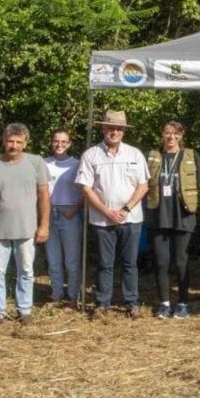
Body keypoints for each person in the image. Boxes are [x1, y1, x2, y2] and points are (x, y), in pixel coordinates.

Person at [76, 110, 150, 318]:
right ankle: (102, 304)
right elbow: (86, 188)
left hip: (131, 219)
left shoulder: (135, 154)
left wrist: (125, 209)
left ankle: (131, 303)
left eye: (118, 128)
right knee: (105, 264)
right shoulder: (90, 155)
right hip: (101, 220)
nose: (114, 132)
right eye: (110, 128)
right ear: (103, 129)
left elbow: (143, 186)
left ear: (124, 131)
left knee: (130, 264)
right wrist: (107, 211)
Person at [0, 123, 51, 325]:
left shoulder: (36, 163)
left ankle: (24, 310)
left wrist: (44, 225)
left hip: (27, 228)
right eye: (10, 141)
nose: (14, 145)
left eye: (19, 142)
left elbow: (44, 195)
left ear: (25, 143)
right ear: (3, 141)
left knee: (26, 271)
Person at [145, 120, 200, 319]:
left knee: (181, 262)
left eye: (175, 133)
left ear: (181, 135)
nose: (171, 137)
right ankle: (164, 303)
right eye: (167, 132)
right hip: (157, 215)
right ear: (162, 134)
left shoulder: (192, 156)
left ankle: (183, 303)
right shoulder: (152, 156)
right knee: (161, 262)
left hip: (183, 216)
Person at [44, 129, 83, 309]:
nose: (59, 144)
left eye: (63, 141)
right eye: (56, 141)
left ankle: (74, 296)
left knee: (72, 260)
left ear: (69, 144)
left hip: (70, 214)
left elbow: (87, 190)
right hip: (49, 213)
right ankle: (57, 295)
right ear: (51, 143)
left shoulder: (76, 164)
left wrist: (75, 208)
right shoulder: (44, 164)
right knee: (53, 259)